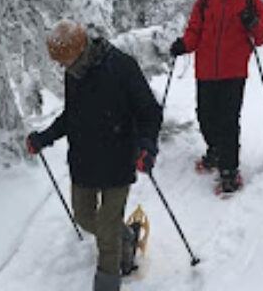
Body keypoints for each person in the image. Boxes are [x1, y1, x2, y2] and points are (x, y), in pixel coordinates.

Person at [25, 20, 162, 291]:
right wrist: (44, 137)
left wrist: (147, 146)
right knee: (85, 217)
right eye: (59, 63)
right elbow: (72, 116)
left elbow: (149, 111)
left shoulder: (122, 66)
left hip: (118, 158)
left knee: (106, 235)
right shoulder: (73, 72)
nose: (62, 67)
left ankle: (108, 282)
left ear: (81, 48)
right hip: (84, 160)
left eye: (65, 61)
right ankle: (126, 236)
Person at [168, 0, 263, 195]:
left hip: (234, 71)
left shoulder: (251, 1)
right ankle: (215, 150)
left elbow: (262, 37)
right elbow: (194, 32)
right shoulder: (205, 2)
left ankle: (229, 170)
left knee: (228, 120)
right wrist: (183, 45)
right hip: (206, 71)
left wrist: (252, 22)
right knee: (205, 115)